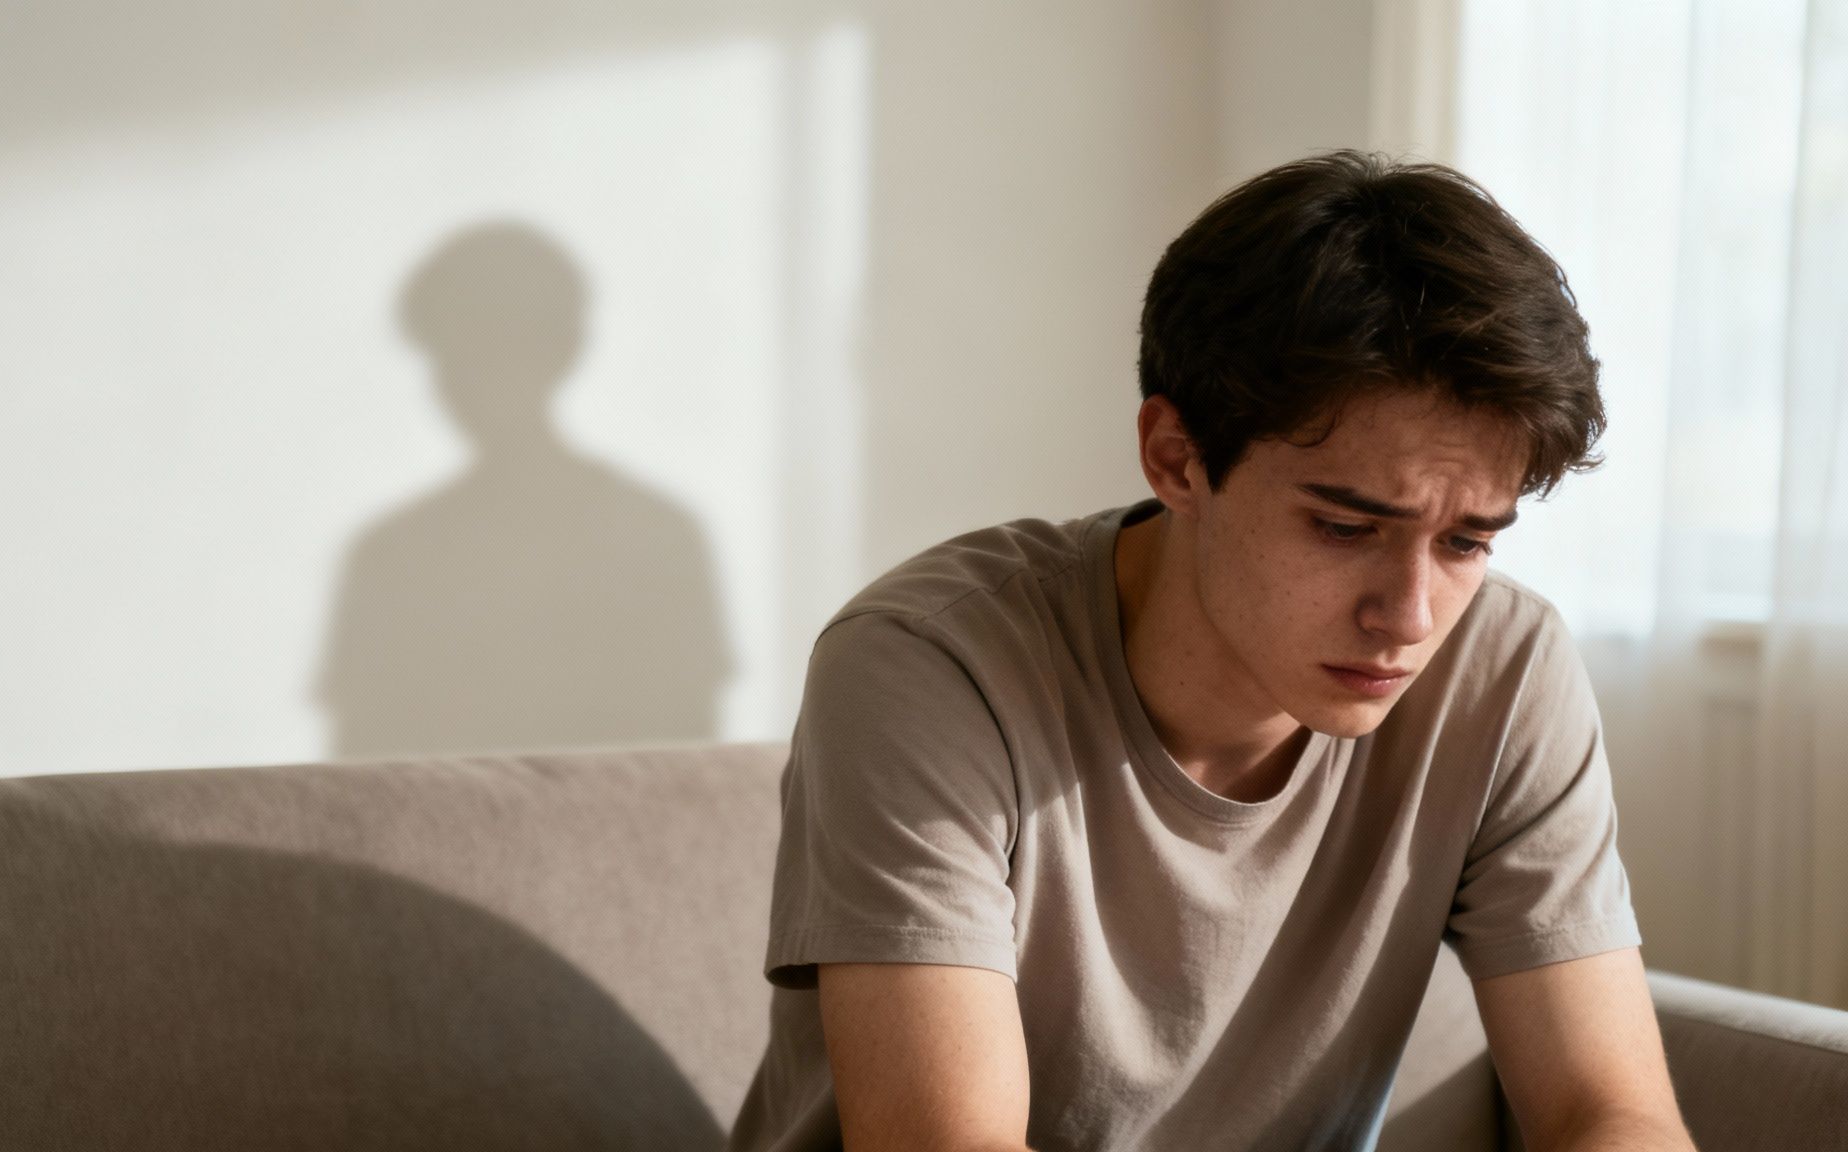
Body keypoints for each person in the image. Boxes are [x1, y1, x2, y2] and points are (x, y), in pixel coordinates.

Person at [726, 150, 1697, 1151]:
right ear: (1175, 459)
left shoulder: (1504, 669)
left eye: (1463, 542)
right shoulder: (926, 670)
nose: (1409, 617)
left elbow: (1606, 1110)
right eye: (1343, 527)